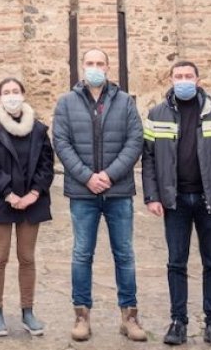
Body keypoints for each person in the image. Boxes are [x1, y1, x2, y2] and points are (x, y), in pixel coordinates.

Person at [142, 61, 211, 348]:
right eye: (178, 76)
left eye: (188, 76)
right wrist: (152, 196)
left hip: (210, 200)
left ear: (198, 80)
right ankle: (178, 322)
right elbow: (148, 158)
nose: (183, 80)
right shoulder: (157, 114)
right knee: (176, 262)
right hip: (175, 201)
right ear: (170, 80)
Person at [52, 48, 146, 342]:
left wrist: (109, 175)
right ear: (82, 66)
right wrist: (87, 177)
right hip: (83, 192)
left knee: (124, 254)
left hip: (118, 191)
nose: (94, 67)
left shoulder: (125, 101)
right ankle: (82, 316)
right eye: (89, 63)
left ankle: (129, 316)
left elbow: (135, 141)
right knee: (82, 254)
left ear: (108, 67)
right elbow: (61, 142)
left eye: (99, 63)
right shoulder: (66, 103)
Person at [0, 78, 55, 337]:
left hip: (31, 202)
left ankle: (27, 311)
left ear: (23, 94)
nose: (12, 96)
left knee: (27, 258)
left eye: (16, 91)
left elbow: (47, 164)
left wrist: (34, 193)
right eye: (6, 92)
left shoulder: (38, 129)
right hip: (2, 200)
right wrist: (8, 193)